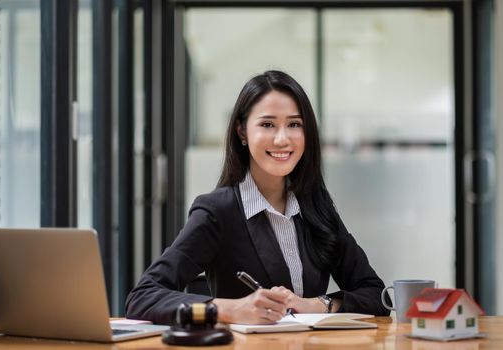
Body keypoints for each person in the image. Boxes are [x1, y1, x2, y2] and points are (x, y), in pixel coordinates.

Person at [125, 70, 390, 325]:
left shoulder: (315, 207)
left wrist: (318, 304)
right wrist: (230, 309)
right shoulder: (217, 211)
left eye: (294, 124)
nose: (282, 138)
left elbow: (376, 296)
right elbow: (143, 297)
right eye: (267, 124)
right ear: (242, 131)